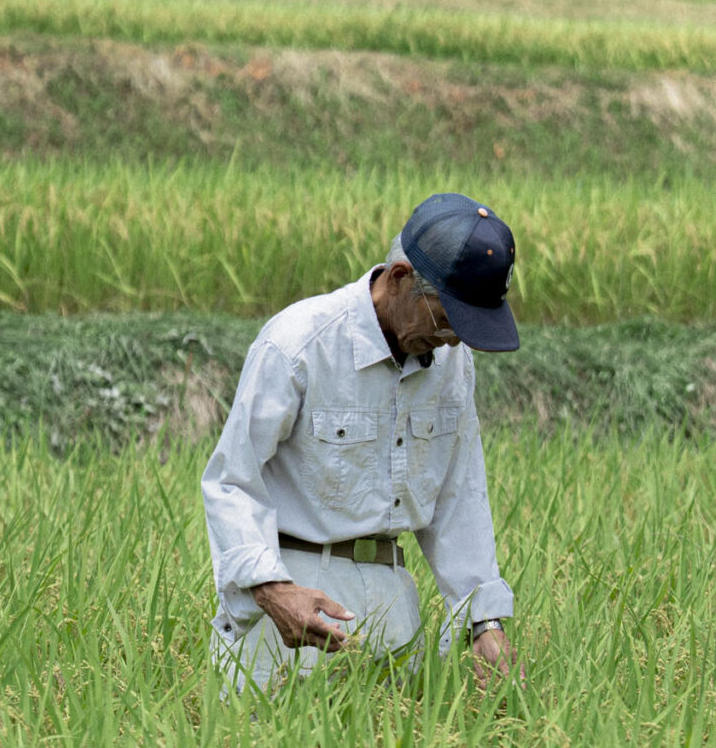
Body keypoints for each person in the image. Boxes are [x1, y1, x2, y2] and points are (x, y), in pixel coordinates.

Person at [202, 192, 519, 694]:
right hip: (292, 605)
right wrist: (273, 589)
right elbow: (231, 481)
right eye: (447, 320)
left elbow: (459, 494)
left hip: (394, 609)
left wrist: (485, 621)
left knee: (396, 743)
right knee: (264, 743)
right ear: (400, 279)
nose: (455, 340)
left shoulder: (451, 362)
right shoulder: (299, 344)